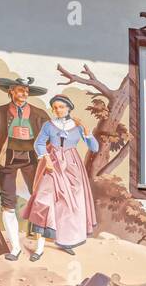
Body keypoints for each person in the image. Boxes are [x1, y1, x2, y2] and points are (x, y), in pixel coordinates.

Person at [0, 76, 52, 261]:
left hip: (33, 160)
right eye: (20, 90)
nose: (24, 93)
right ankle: (16, 248)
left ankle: (39, 248)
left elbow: (51, 137)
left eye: (26, 91)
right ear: (11, 91)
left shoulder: (40, 114)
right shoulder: (0, 112)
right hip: (6, 159)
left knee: (40, 201)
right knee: (8, 204)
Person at [26, 94, 99, 260]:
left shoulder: (78, 126)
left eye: (61, 107)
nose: (58, 110)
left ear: (68, 108)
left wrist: (87, 133)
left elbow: (94, 148)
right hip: (52, 164)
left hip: (73, 167)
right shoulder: (48, 125)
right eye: (55, 107)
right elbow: (38, 144)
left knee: (70, 205)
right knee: (42, 201)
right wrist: (46, 159)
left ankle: (66, 241)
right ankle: (39, 248)